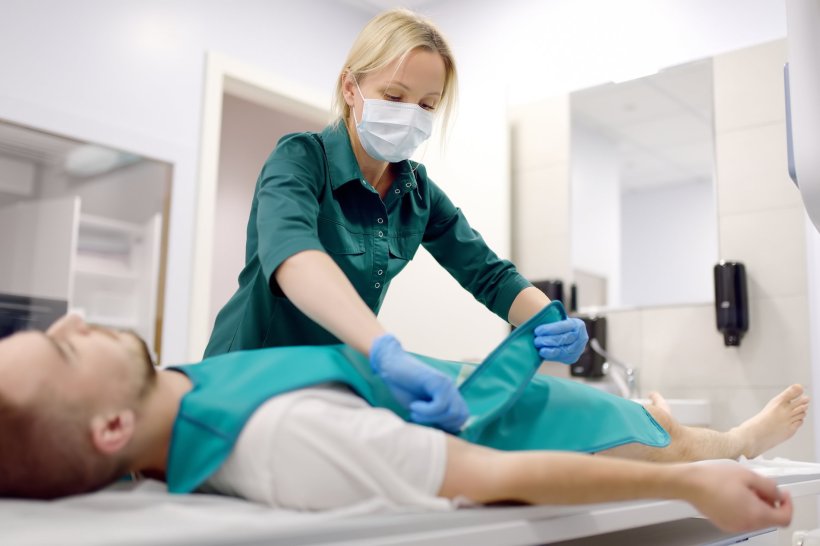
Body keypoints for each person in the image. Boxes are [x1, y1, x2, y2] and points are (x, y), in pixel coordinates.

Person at [0, 313, 808, 534]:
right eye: (64, 351)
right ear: (110, 430)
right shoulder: (283, 440)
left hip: (467, 389)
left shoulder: (172, 401)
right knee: (674, 446)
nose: (73, 318)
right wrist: (700, 488)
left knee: (654, 426)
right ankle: (735, 441)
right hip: (526, 431)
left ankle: (694, 433)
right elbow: (496, 479)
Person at [204, 8, 588, 433]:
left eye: (427, 105)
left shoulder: (417, 192)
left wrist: (550, 318)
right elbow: (294, 257)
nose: (411, 113)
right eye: (393, 96)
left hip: (327, 386)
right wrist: (384, 350)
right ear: (351, 88)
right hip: (245, 377)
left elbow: (488, 273)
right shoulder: (300, 159)